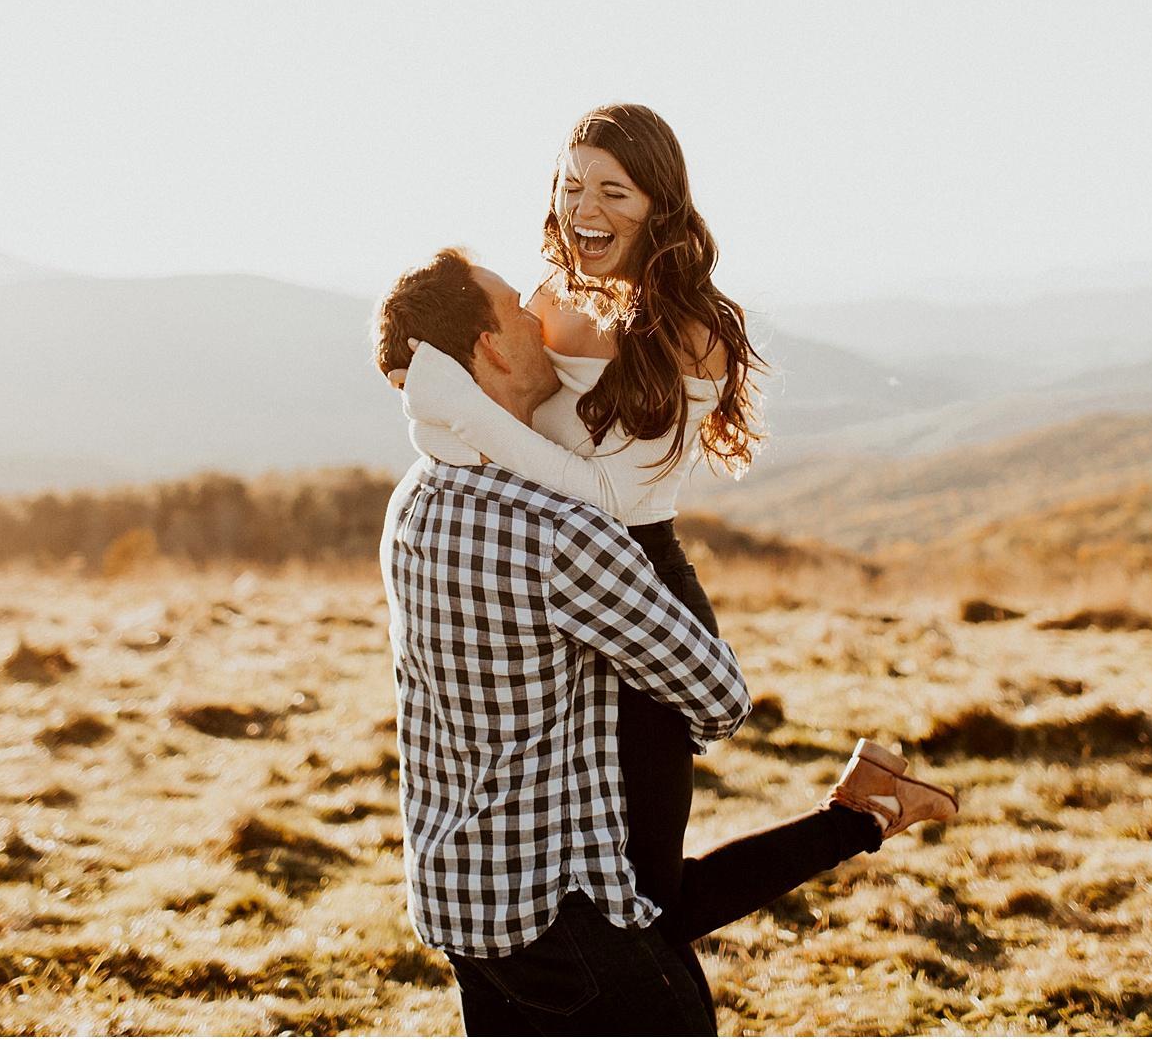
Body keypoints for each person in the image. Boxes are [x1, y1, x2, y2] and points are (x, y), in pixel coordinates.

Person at [395, 105, 959, 1026]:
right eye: (571, 185)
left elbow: (602, 497)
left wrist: (456, 407)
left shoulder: (688, 329)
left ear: (659, 204)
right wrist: (449, 407)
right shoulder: (545, 299)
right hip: (554, 584)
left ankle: (859, 816)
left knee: (644, 896)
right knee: (614, 899)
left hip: (636, 575)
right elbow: (507, 424)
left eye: (613, 190)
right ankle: (864, 808)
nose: (585, 207)